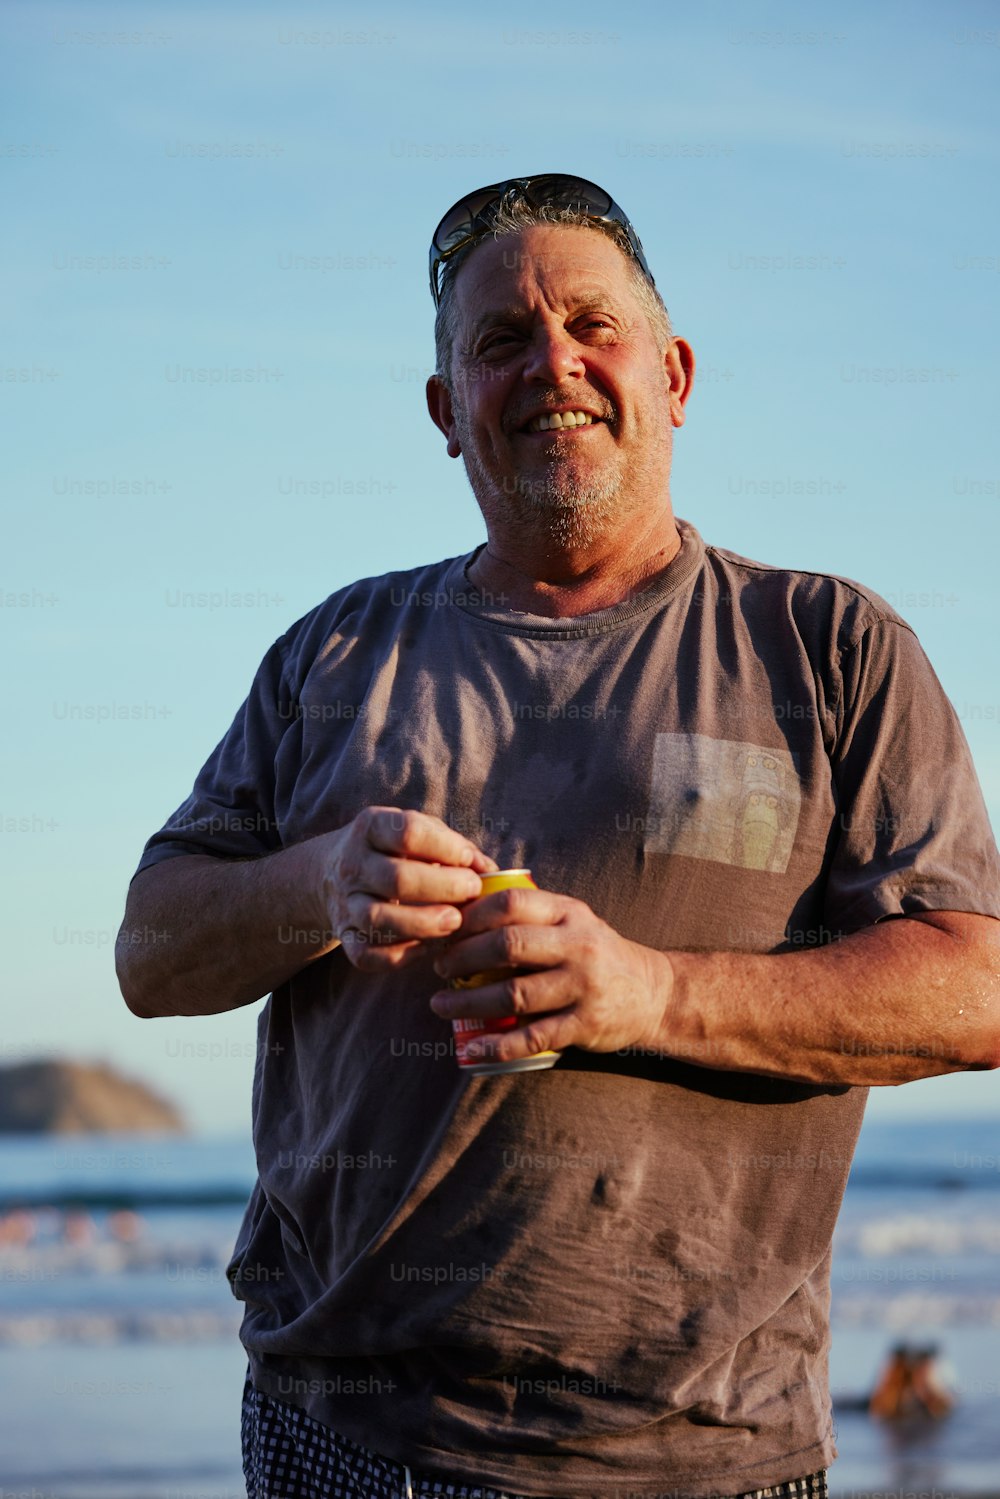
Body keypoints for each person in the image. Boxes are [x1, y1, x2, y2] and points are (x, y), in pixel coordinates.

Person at [116, 175, 1000, 1499]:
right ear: (444, 414)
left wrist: (646, 991)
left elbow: (977, 988)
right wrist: (316, 882)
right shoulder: (334, 653)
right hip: (339, 1436)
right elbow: (149, 953)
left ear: (676, 373)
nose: (555, 367)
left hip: (706, 1456)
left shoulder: (828, 649)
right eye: (499, 343)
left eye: (594, 324)